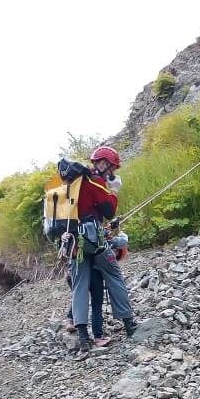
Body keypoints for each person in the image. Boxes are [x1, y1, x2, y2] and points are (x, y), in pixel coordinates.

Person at [66, 146, 137, 351]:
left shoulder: (73, 184)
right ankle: (129, 324)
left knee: (80, 285)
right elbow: (108, 210)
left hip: (74, 243)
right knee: (114, 276)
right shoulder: (95, 181)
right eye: (111, 169)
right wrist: (114, 189)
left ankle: (82, 337)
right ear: (104, 164)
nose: (111, 173)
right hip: (94, 241)